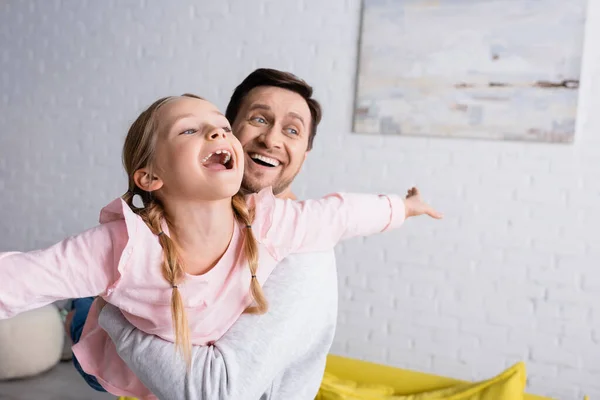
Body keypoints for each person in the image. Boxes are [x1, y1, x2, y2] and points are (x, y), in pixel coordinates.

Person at [1, 70, 441, 399]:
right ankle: (76, 310)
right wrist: (109, 309)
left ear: (305, 153)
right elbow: (19, 278)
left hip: (144, 331)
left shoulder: (279, 229)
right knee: (76, 304)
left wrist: (402, 206)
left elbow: (342, 214)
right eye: (254, 120)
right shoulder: (119, 248)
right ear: (150, 176)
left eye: (292, 130)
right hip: (106, 338)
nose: (270, 138)